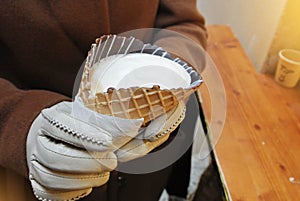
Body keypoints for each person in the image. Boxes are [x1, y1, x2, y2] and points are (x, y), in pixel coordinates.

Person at [0, 1, 207, 200]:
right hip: (38, 166)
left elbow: (184, 24)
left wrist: (167, 74)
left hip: (143, 164)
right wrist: (16, 120)